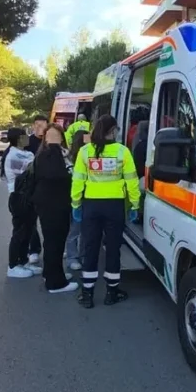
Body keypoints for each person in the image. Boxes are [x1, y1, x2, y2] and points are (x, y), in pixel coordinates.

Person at [71, 114, 141, 308]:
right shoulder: (122, 151)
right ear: (113, 130)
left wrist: (76, 204)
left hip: (91, 205)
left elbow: (78, 180)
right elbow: (132, 181)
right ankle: (112, 292)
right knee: (113, 248)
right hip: (114, 206)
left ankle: (87, 294)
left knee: (90, 247)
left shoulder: (85, 151)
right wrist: (135, 205)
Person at [30, 124, 79, 294]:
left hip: (58, 203)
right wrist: (55, 147)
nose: (54, 139)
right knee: (54, 242)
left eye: (56, 135)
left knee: (55, 242)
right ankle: (55, 283)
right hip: (52, 205)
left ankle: (52, 273)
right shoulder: (49, 155)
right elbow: (56, 176)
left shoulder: (61, 154)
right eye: (50, 136)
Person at [1, 127, 38, 278]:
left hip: (28, 196)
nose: (28, 137)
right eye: (25, 135)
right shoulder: (14, 156)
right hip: (19, 197)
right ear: (19, 139)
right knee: (20, 232)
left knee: (28, 231)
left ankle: (23, 261)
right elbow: (33, 170)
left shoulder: (25, 153)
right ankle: (13, 265)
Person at [24, 113, 48, 265]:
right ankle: (33, 250)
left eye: (42, 125)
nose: (39, 128)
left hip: (48, 187)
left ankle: (51, 247)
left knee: (49, 221)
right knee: (31, 220)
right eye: (37, 125)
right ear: (33, 126)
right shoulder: (27, 141)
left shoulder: (51, 141)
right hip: (31, 187)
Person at [65, 130, 90, 271]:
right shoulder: (68, 159)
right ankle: (72, 257)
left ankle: (82, 255)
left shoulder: (92, 156)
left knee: (85, 230)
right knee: (75, 230)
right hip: (74, 198)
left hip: (89, 197)